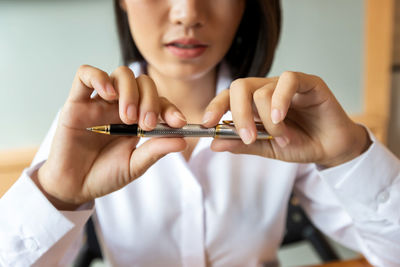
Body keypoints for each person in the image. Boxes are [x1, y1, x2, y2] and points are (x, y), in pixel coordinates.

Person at [1, 0, 399, 266]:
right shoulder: (84, 124)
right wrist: (56, 195)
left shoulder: (282, 116)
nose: (187, 12)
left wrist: (351, 156)